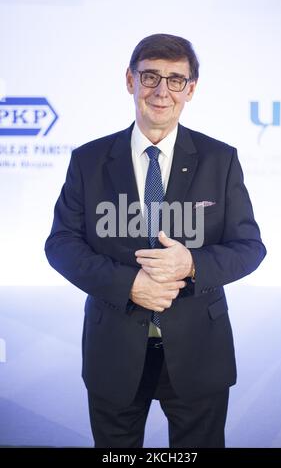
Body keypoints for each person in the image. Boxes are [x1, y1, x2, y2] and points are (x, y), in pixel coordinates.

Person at [45, 33, 266, 448]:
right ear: (130, 81)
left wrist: (191, 265)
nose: (162, 91)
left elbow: (250, 248)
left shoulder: (221, 160)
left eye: (175, 80)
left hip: (199, 351)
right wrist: (129, 285)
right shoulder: (88, 161)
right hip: (113, 348)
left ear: (191, 89)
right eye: (150, 77)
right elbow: (61, 244)